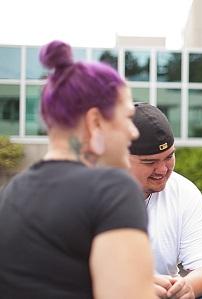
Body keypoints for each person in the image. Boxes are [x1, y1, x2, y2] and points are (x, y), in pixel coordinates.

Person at [0, 40, 154, 298]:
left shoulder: (10, 193)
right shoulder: (113, 189)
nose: (134, 131)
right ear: (95, 121)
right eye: (127, 117)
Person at [128, 103, 202, 299]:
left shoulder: (183, 191)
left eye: (169, 156)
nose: (163, 170)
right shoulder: (90, 195)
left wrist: (187, 286)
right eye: (150, 162)